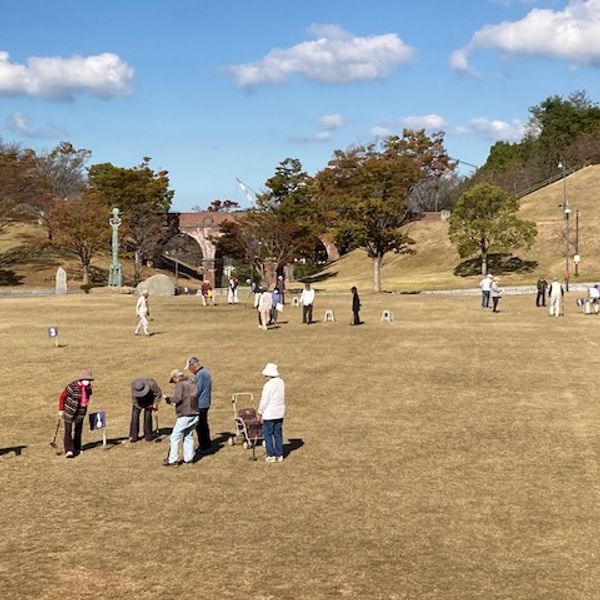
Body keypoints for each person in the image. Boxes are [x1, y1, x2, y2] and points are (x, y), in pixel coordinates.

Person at [163, 369, 199, 467]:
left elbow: (178, 398)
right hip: (195, 413)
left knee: (174, 437)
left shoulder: (180, 384)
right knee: (188, 436)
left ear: (176, 378)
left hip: (185, 414)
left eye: (173, 381)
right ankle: (189, 459)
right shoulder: (192, 382)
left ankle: (173, 460)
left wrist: (168, 399)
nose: (174, 384)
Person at [58, 369, 93, 458]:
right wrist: (61, 409)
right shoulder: (72, 387)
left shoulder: (88, 388)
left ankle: (77, 447)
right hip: (69, 411)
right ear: (81, 379)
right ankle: (69, 450)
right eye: (86, 380)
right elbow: (62, 397)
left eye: (89, 380)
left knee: (78, 430)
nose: (88, 382)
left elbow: (87, 397)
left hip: (80, 412)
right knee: (68, 431)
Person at [257, 363, 285, 463]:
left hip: (269, 414)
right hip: (279, 413)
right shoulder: (281, 382)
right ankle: (279, 454)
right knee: (278, 434)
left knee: (268, 435)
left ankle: (271, 455)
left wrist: (260, 412)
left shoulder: (268, 385)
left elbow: (264, 400)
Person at [185, 356, 212, 454]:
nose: (190, 370)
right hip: (205, 403)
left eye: (190, 368)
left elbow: (197, 390)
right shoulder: (204, 373)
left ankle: (204, 446)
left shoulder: (201, 374)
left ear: (193, 366)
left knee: (200, 426)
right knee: (203, 425)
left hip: (201, 404)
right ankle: (206, 444)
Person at [129, 378, 162, 442]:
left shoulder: (152, 384)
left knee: (147, 416)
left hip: (149, 399)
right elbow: (135, 402)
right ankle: (134, 436)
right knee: (135, 415)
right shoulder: (134, 389)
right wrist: (142, 406)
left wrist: (155, 403)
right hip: (139, 402)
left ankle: (148, 435)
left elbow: (158, 393)